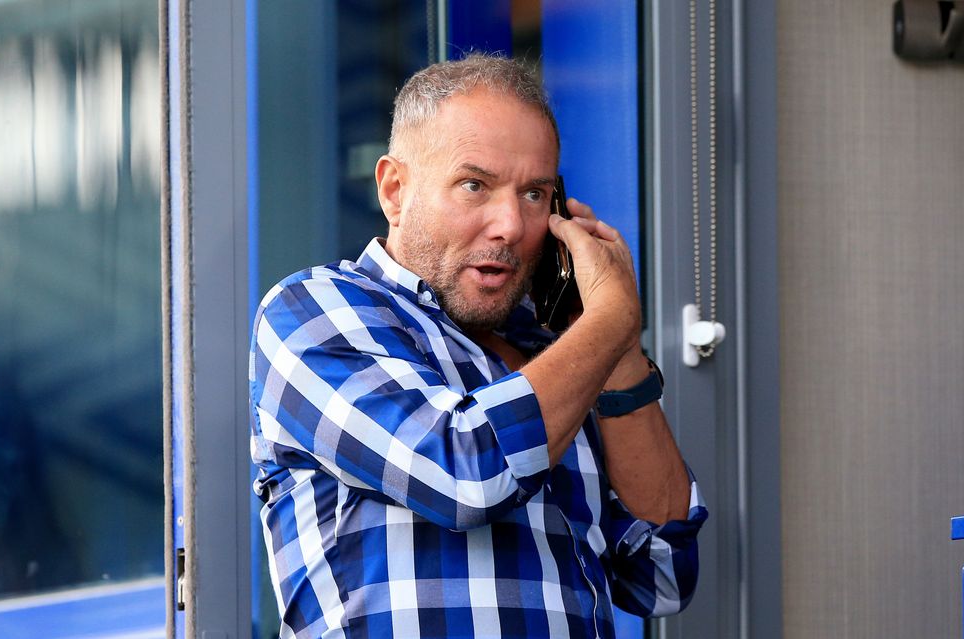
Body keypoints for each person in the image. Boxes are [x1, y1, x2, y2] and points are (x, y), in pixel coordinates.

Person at [250, 53, 707, 639]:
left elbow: (662, 576)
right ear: (395, 189)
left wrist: (615, 350)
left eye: (535, 194)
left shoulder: (563, 357)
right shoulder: (313, 310)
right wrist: (612, 320)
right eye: (475, 185)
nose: (511, 226)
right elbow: (465, 474)